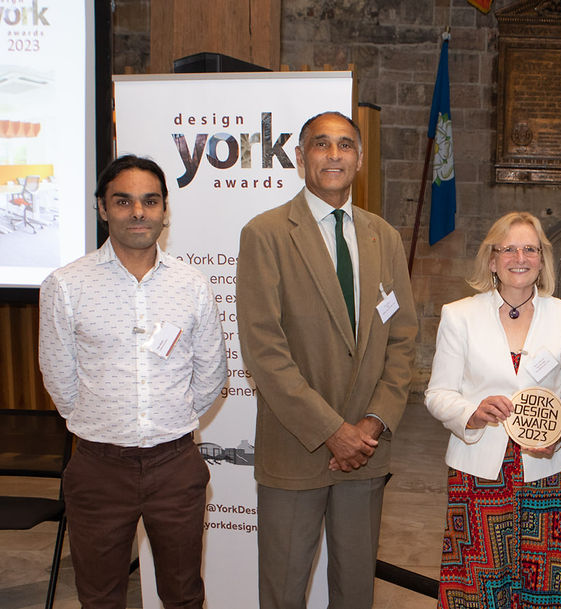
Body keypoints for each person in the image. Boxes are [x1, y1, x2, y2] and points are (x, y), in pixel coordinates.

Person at [236, 110, 417, 609]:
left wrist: (373, 424)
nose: (333, 154)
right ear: (299, 158)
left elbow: (402, 338)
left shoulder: (385, 237)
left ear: (359, 159)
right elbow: (263, 349)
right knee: (283, 592)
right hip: (297, 450)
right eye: (321, 144)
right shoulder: (266, 234)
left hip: (367, 450)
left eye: (344, 145)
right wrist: (332, 431)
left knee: (356, 591)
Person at [37, 155, 228, 609]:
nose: (138, 212)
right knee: (100, 597)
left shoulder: (191, 284)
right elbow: (58, 376)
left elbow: (212, 372)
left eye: (150, 201)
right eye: (123, 201)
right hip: (99, 467)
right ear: (102, 208)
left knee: (184, 595)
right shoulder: (65, 285)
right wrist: (105, 425)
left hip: (175, 464)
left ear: (165, 210)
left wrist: (169, 418)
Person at [424, 211, 561, 609]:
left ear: (542, 259)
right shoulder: (459, 315)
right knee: (476, 581)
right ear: (492, 259)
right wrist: (473, 413)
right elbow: (437, 393)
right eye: (509, 248)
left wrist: (559, 431)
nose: (520, 257)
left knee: (539, 578)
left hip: (542, 470)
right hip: (478, 470)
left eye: (530, 248)